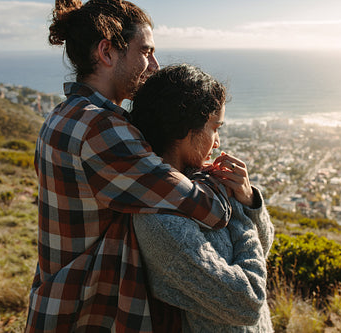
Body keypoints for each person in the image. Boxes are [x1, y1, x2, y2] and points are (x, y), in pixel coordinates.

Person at [25, 1, 231, 332]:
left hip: (58, 301)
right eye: (145, 52)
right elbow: (208, 209)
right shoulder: (101, 130)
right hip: (93, 313)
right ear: (107, 52)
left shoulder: (61, 115)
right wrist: (223, 182)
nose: (154, 64)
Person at [130, 64, 274, 332]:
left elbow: (261, 252)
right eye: (214, 128)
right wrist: (240, 220)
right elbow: (249, 302)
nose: (217, 142)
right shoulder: (161, 220)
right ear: (185, 129)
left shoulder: (204, 183)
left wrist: (247, 200)